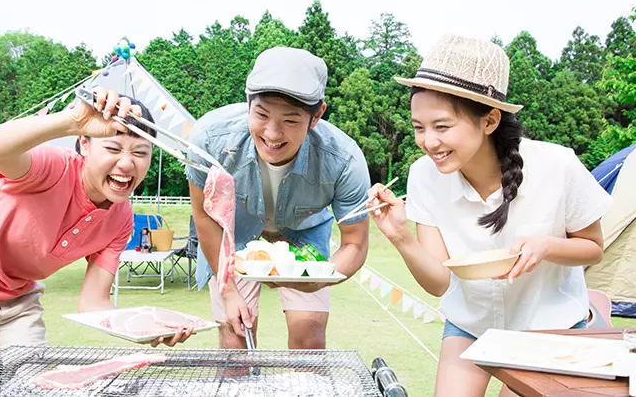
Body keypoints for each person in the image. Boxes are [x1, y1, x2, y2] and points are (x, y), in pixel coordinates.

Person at [366, 34, 612, 397]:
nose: (428, 142)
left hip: (547, 325)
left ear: (490, 120)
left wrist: (545, 246)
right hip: (470, 321)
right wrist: (400, 236)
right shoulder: (423, 175)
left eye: (442, 126)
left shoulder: (557, 165)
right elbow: (438, 283)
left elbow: (593, 248)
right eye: (419, 127)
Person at [0, 87, 192, 386]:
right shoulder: (52, 166)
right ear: (84, 143)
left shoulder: (122, 219)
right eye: (113, 148)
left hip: (17, 300)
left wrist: (148, 325)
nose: (126, 163)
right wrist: (73, 120)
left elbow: (94, 301)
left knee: (33, 390)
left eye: (140, 153)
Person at [186, 47, 371, 349]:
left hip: (303, 237)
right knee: (235, 337)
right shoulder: (209, 139)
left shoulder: (344, 158)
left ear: (317, 115)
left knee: (309, 334)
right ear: (248, 103)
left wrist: (320, 278)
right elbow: (204, 217)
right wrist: (229, 291)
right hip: (234, 239)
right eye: (261, 115)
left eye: (290, 120)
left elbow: (355, 243)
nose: (272, 133)